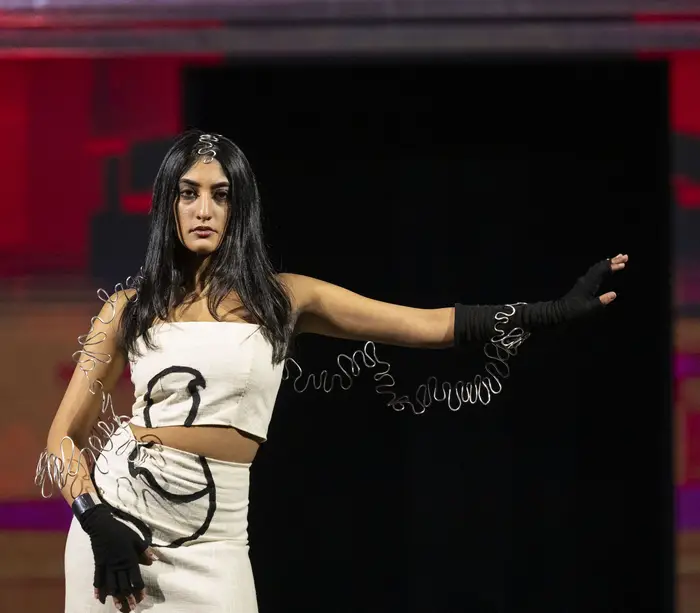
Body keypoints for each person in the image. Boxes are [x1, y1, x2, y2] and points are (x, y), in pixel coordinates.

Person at [36, 130, 628, 612]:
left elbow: (425, 324)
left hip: (217, 543)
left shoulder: (283, 299)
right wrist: (94, 520)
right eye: (188, 193)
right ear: (168, 203)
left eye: (220, 194)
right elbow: (62, 439)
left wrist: (551, 311)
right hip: (119, 525)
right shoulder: (127, 308)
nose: (204, 209)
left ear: (241, 206)